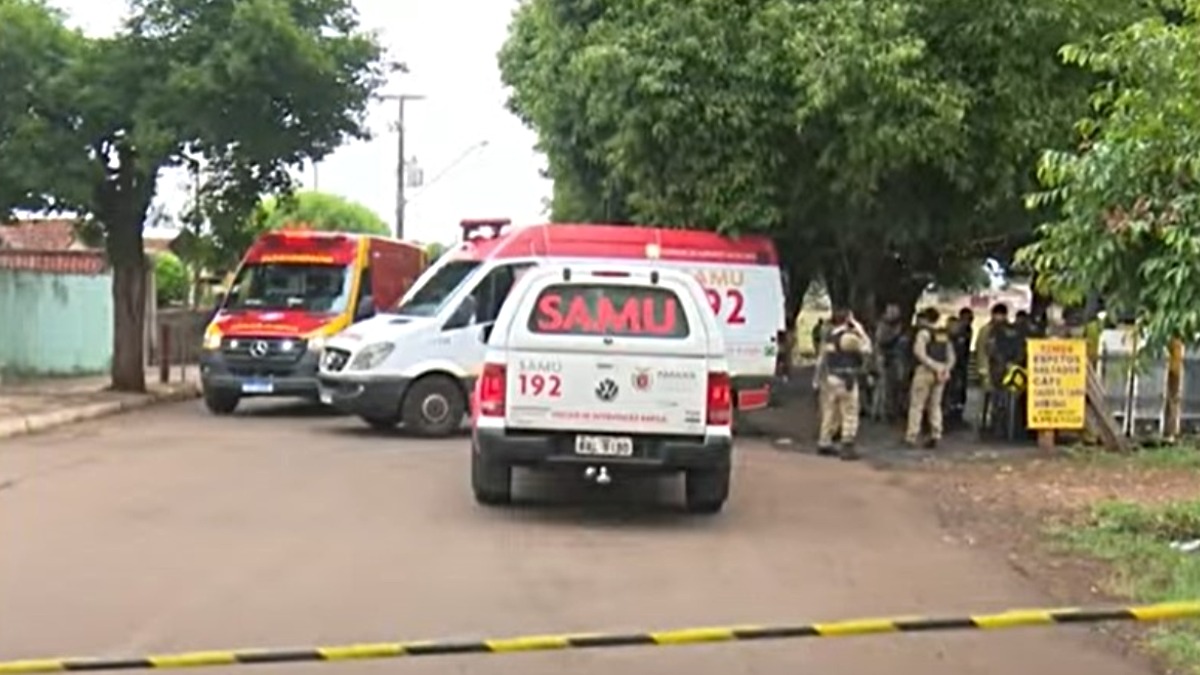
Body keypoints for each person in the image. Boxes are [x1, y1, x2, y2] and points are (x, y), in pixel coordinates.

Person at [813, 308, 872, 460]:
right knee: (850, 412)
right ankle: (847, 444)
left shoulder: (829, 337)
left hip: (831, 377)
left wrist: (817, 380)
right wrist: (860, 329)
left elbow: (821, 360)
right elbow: (867, 349)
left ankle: (824, 442)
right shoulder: (848, 338)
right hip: (846, 378)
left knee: (829, 412)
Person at [905, 308, 955, 448]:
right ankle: (936, 433)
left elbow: (919, 353)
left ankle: (912, 435)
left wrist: (934, 366)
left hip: (925, 371)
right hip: (941, 374)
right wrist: (945, 368)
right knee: (935, 405)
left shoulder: (924, 333)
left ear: (925, 319)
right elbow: (951, 355)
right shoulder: (943, 335)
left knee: (917, 405)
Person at [871, 304, 906, 421]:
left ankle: (890, 410)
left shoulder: (895, 325)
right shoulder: (884, 326)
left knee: (894, 385)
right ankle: (880, 412)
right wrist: (896, 335)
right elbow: (882, 341)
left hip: (892, 357)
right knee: (882, 386)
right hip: (883, 357)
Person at [944, 308, 974, 427]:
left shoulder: (967, 330)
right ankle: (949, 418)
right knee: (951, 393)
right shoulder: (952, 335)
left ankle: (957, 417)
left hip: (962, 366)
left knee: (960, 394)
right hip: (954, 367)